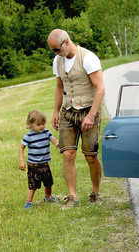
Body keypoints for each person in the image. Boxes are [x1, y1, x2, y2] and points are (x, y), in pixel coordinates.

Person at [47, 29, 106, 208]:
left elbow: (101, 89)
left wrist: (91, 115)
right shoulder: (57, 60)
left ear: (66, 42)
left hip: (89, 110)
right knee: (68, 154)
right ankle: (72, 197)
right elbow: (59, 87)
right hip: (68, 112)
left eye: (56, 49)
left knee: (90, 156)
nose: (56, 54)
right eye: (53, 51)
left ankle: (95, 192)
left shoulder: (88, 58)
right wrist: (56, 112)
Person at [19, 110, 60, 209]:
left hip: (45, 164)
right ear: (31, 124)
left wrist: (59, 144)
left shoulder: (47, 133)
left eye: (43, 123)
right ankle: (28, 202)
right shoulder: (28, 136)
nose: (41, 126)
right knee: (33, 185)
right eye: (38, 124)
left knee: (48, 183)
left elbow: (55, 142)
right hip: (34, 166)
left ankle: (48, 197)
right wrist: (21, 161)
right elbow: (21, 148)